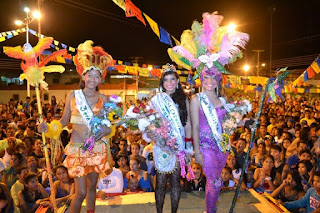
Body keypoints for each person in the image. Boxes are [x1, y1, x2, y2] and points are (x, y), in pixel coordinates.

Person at [39, 40, 114, 213]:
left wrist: (108, 130)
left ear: (101, 77)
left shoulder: (105, 98)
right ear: (83, 76)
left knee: (91, 188)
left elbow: (109, 125)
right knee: (80, 192)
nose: (93, 79)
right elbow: (64, 120)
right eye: (90, 75)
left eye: (97, 76)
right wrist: (49, 128)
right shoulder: (73, 95)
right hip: (77, 149)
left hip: (97, 148)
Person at [147, 64, 192, 213]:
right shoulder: (156, 100)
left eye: (172, 79)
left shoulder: (184, 100)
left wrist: (188, 150)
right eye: (166, 80)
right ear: (162, 82)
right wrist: (150, 133)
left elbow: (187, 125)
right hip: (161, 144)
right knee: (160, 183)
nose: (170, 83)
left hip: (178, 144)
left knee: (175, 182)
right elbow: (148, 121)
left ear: (178, 81)